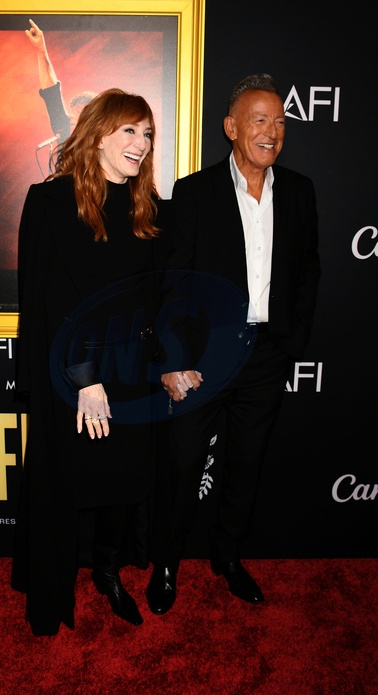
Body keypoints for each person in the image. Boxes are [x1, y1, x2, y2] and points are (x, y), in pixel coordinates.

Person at [146, 73, 321, 614]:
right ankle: (167, 562)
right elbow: (174, 281)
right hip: (203, 357)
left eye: (280, 122)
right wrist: (175, 358)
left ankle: (228, 555)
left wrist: (291, 341)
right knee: (182, 465)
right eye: (260, 120)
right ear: (231, 127)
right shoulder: (195, 193)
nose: (272, 132)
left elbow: (307, 271)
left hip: (266, 355)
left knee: (246, 465)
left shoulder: (299, 191)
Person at [11, 87, 168, 635]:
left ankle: (107, 571)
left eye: (147, 134)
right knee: (66, 482)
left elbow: (157, 298)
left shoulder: (147, 208)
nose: (141, 143)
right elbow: (49, 302)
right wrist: (85, 379)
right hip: (75, 374)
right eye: (129, 130)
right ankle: (55, 589)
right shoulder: (52, 202)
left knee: (124, 481)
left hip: (133, 373)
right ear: (98, 135)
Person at [25, 19, 98, 145]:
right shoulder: (65, 131)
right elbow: (51, 93)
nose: (70, 116)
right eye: (72, 112)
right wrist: (41, 50)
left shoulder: (104, 145)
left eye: (77, 112)